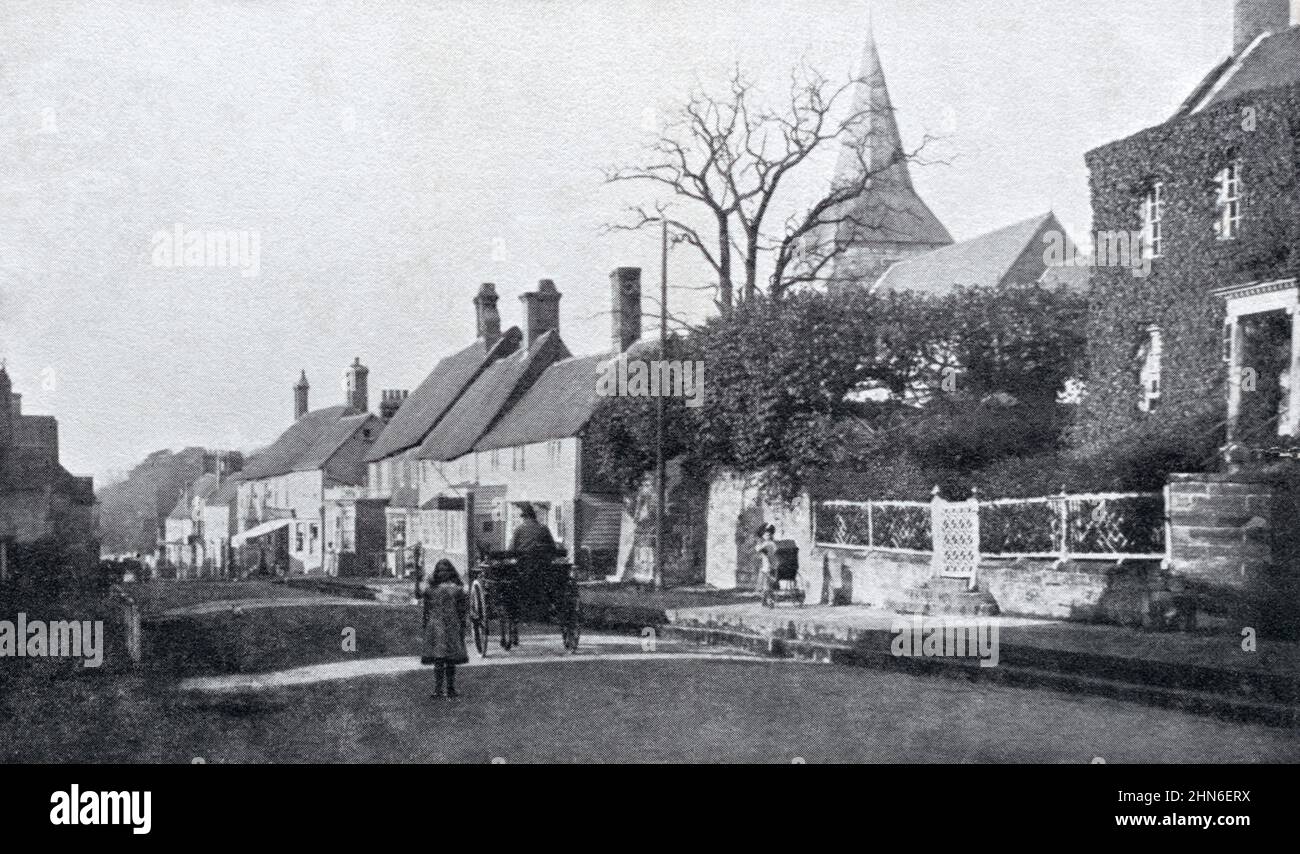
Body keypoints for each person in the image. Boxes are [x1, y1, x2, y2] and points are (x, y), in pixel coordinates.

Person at [421, 559, 469, 698]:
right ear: (436, 572)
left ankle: (450, 688)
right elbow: (423, 600)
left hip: (452, 625)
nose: (443, 573)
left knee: (450, 659)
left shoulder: (456, 589)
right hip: (436, 626)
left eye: (446, 571)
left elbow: (462, 608)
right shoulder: (431, 589)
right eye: (440, 571)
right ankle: (437, 689)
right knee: (438, 658)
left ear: (451, 572)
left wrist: (462, 624)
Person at [754, 525, 777, 594]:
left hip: (767, 567)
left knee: (765, 581)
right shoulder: (773, 544)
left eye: (767, 534)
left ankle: (760, 590)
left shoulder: (766, 544)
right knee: (768, 583)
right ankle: (764, 593)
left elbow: (758, 549)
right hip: (773, 566)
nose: (766, 535)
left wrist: (758, 541)